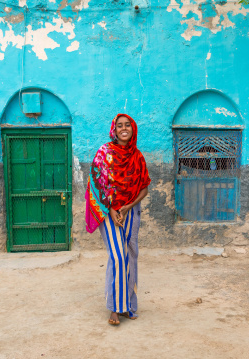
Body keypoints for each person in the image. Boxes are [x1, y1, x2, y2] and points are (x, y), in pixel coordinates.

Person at [85, 114, 151, 326]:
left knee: (131, 256)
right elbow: (96, 182)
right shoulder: (105, 153)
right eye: (120, 126)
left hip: (130, 211)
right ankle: (115, 308)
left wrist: (128, 206)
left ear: (133, 129)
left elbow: (144, 188)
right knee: (118, 257)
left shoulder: (138, 157)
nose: (124, 129)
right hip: (109, 212)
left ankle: (129, 306)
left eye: (127, 125)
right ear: (114, 129)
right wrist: (112, 209)